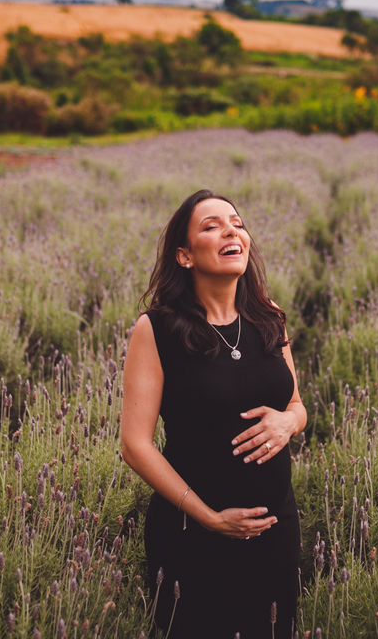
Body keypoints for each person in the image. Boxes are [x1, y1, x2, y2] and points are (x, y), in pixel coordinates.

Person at [120, 189, 307, 639]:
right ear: (184, 256)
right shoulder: (157, 329)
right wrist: (209, 517)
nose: (231, 231)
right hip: (192, 534)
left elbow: (297, 406)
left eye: (237, 223)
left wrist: (288, 422)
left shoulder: (269, 317)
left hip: (275, 530)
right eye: (212, 225)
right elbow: (134, 445)